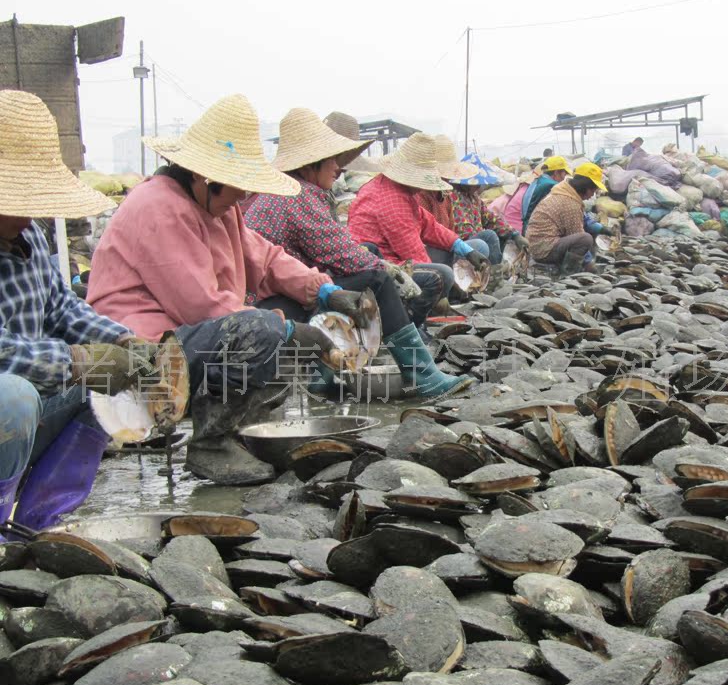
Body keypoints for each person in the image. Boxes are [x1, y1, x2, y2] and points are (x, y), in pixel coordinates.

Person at [88, 94, 363, 487]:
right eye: (239, 186)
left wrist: (323, 291)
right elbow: (199, 304)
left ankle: (243, 433)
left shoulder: (219, 206)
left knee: (276, 330)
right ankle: (212, 444)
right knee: (267, 332)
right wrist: (283, 330)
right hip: (139, 348)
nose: (246, 197)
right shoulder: (160, 207)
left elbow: (264, 258)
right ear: (207, 178)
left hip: (184, 334)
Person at [0, 89, 158, 533]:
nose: (27, 214)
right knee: (12, 398)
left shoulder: (28, 240)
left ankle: (37, 521)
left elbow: (62, 309)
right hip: (9, 409)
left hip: (28, 412)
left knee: (113, 384)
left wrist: (122, 342)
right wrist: (78, 362)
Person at [245, 107, 471, 397]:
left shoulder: (294, 190)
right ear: (311, 163)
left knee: (369, 272)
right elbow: (342, 253)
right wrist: (391, 271)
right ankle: (423, 375)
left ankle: (322, 375)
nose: (339, 166)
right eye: (333, 159)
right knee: (376, 280)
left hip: (277, 295)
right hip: (270, 305)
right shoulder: (297, 195)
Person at [348, 132, 489, 306]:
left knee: (476, 247)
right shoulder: (392, 200)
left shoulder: (400, 190)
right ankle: (414, 315)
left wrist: (465, 249)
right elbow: (413, 252)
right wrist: (448, 286)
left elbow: (429, 225)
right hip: (383, 266)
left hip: (397, 258)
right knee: (442, 275)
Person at [526, 162, 612, 274]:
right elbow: (576, 233)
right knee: (585, 239)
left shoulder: (563, 190)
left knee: (588, 233)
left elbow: (584, 220)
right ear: (584, 186)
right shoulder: (570, 203)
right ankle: (569, 273)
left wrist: (601, 229)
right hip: (543, 249)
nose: (592, 195)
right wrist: (590, 265)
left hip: (537, 243)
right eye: (592, 191)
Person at [447, 152, 529, 267]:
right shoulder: (452, 196)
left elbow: (490, 218)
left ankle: (497, 271)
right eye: (476, 183)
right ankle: (494, 274)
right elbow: (463, 232)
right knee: (489, 236)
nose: (479, 187)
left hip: (474, 241)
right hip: (460, 245)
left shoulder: (474, 197)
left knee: (503, 234)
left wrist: (514, 234)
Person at [521, 156, 572, 232]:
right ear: (556, 172)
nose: (564, 178)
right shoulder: (551, 185)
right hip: (536, 231)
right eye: (564, 174)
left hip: (527, 227)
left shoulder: (539, 180)